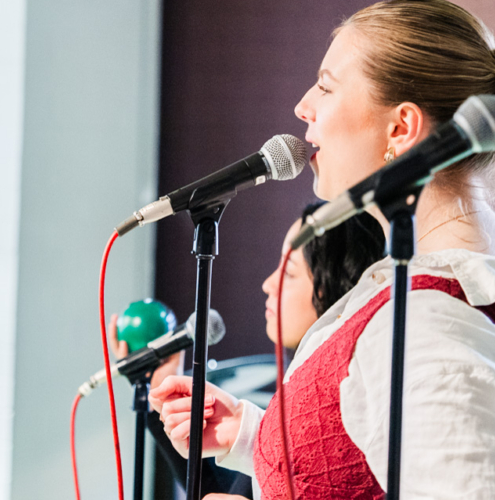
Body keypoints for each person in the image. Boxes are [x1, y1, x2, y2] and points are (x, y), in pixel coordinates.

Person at [151, 1, 495, 498]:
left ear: (400, 128)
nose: (303, 106)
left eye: (327, 86)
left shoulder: (437, 324)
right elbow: (369, 461)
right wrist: (252, 435)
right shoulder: (439, 293)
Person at [110, 203, 385, 497]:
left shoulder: (344, 414)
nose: (269, 284)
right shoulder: (297, 399)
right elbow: (224, 493)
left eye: (288, 273)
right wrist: (157, 395)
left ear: (334, 284)